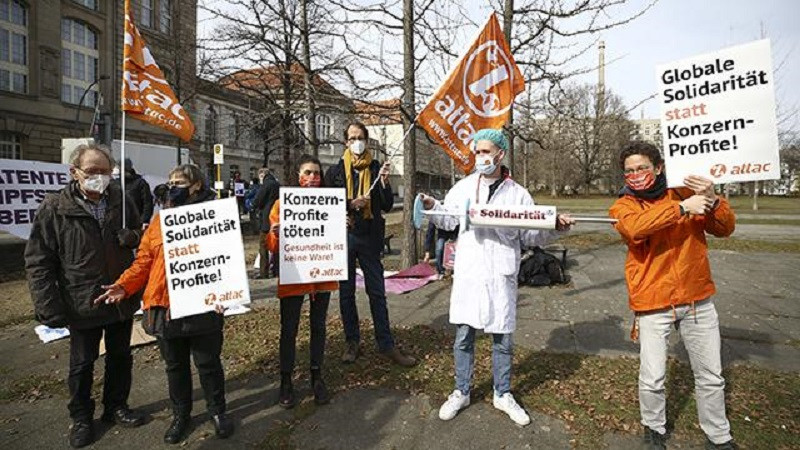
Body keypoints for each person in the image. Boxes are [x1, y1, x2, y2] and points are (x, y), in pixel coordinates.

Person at [420, 128, 574, 426]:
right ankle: (461, 391)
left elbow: (531, 236)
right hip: (470, 272)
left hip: (500, 273)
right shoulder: (463, 187)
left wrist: (556, 226)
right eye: (477, 152)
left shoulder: (518, 194)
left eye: (486, 151)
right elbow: (448, 219)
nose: (481, 157)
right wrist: (431, 206)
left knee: (502, 337)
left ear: (500, 154)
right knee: (464, 336)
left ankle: (502, 393)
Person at [608, 141, 737, 450]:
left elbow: (725, 228)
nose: (636, 175)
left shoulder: (684, 192)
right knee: (653, 377)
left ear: (659, 168)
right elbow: (634, 229)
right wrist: (680, 209)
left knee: (711, 375)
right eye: (629, 171)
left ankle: (718, 437)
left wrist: (712, 199)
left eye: (642, 168)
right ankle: (653, 429)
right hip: (653, 301)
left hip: (697, 300)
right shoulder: (623, 205)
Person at [94, 164, 234, 445]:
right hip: (163, 306)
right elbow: (144, 261)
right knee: (175, 366)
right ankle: (181, 415)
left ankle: (218, 411)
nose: (171, 187)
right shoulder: (159, 223)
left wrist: (227, 293)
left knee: (208, 363)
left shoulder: (215, 217)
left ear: (195, 186)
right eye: (169, 182)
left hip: (202, 305)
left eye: (179, 182)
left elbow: (225, 260)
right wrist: (125, 285)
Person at [25, 143, 144, 448]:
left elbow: (140, 240)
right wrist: (47, 306)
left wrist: (131, 237)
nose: (100, 178)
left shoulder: (121, 200)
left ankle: (116, 406)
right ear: (74, 172)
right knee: (82, 364)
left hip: (119, 296)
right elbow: (39, 261)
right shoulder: (55, 208)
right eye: (92, 172)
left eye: (106, 172)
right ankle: (81, 417)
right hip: (82, 301)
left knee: (121, 357)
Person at [324, 121, 416, 367]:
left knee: (376, 291)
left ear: (366, 140)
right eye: (352, 137)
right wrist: (349, 205)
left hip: (370, 238)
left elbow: (386, 205)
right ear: (346, 142)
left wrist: (385, 182)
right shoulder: (334, 172)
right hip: (344, 238)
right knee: (346, 293)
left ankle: (386, 344)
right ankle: (352, 341)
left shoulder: (376, 168)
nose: (357, 141)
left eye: (360, 137)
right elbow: (326, 207)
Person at [266, 155, 337, 409]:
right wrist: (274, 235)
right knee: (289, 328)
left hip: (321, 274)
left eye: (317, 174)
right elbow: (272, 246)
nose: (313, 178)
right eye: (308, 172)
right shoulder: (282, 204)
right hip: (293, 276)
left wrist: (344, 225)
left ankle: (317, 376)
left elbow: (334, 237)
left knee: (318, 326)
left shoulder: (330, 204)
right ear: (298, 176)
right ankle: (286, 381)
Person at [253, 167, 281, 278]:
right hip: (277, 218)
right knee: (276, 247)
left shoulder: (266, 184)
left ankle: (264, 273)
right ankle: (277, 271)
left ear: (262, 175)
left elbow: (259, 200)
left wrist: (254, 206)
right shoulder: (277, 184)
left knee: (263, 246)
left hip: (266, 218)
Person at [122, 158, 154, 226]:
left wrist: (145, 220)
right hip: (118, 221)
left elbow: (147, 202)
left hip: (135, 222)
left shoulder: (140, 183)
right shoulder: (115, 183)